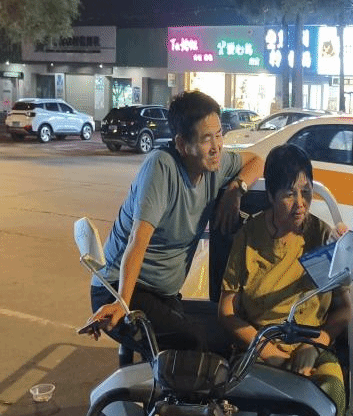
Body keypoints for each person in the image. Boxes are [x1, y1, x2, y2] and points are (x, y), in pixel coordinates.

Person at [84, 90, 264, 359]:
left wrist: (236, 189)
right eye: (206, 138)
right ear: (181, 143)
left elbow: (257, 161)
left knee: (224, 337)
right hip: (119, 288)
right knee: (192, 343)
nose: (216, 146)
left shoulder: (213, 165)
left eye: (219, 135)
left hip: (164, 296)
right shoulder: (161, 167)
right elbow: (138, 240)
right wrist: (122, 302)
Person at [218, 144, 350, 416]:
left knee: (329, 395)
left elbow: (345, 309)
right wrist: (269, 352)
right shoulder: (249, 238)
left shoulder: (323, 238)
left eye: (306, 191)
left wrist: (313, 345)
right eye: (289, 194)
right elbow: (227, 311)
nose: (300, 203)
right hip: (257, 348)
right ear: (270, 196)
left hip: (312, 346)